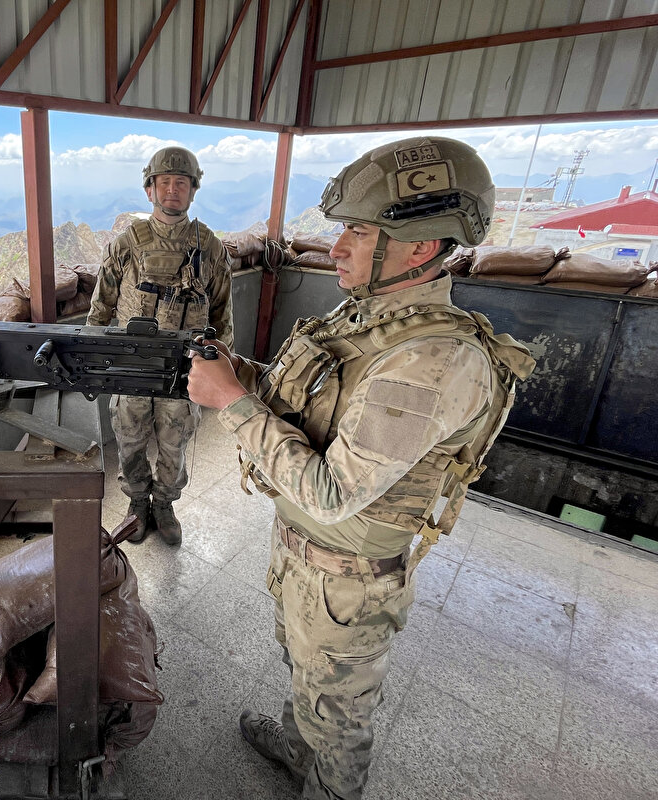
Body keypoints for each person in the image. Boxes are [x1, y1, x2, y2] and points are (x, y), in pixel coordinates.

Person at [186, 136, 535, 798]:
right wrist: (243, 376)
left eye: (357, 231)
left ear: (422, 248)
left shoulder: (434, 359)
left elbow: (332, 489)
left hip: (347, 580)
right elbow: (315, 406)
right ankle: (296, 751)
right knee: (303, 670)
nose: (336, 247)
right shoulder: (369, 321)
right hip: (304, 557)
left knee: (339, 718)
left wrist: (231, 402)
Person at [87, 146, 234, 546]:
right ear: (150, 189)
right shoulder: (126, 245)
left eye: (181, 183)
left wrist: (222, 368)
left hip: (184, 369)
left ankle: (165, 504)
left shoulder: (210, 248)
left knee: (176, 440)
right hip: (132, 366)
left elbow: (222, 314)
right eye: (164, 182)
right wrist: (96, 365)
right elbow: (100, 309)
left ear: (193, 190)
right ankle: (137, 503)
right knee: (130, 438)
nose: (173, 190)